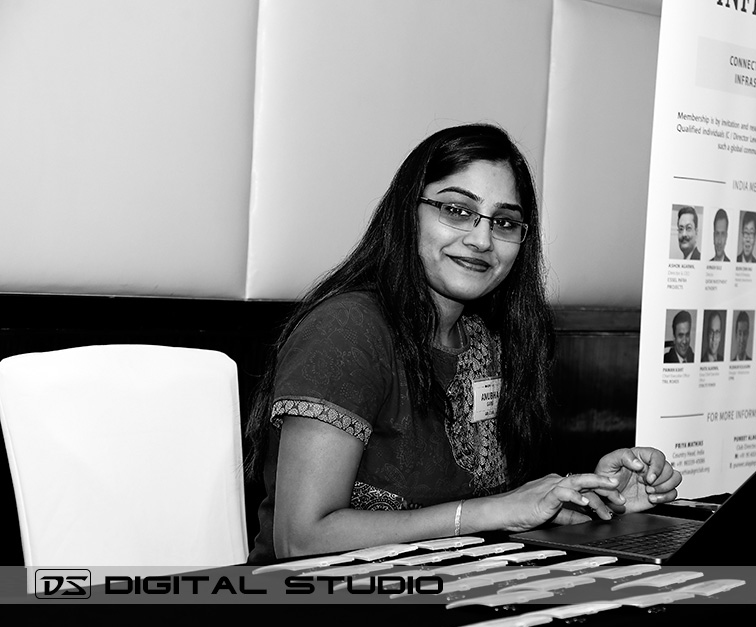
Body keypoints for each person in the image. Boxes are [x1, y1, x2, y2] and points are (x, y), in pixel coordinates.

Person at [243, 124, 682, 563]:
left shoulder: (487, 341)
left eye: (505, 222)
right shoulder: (346, 331)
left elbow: (487, 509)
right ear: (407, 212)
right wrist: (492, 511)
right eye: (456, 210)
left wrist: (584, 499)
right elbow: (300, 539)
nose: (481, 239)